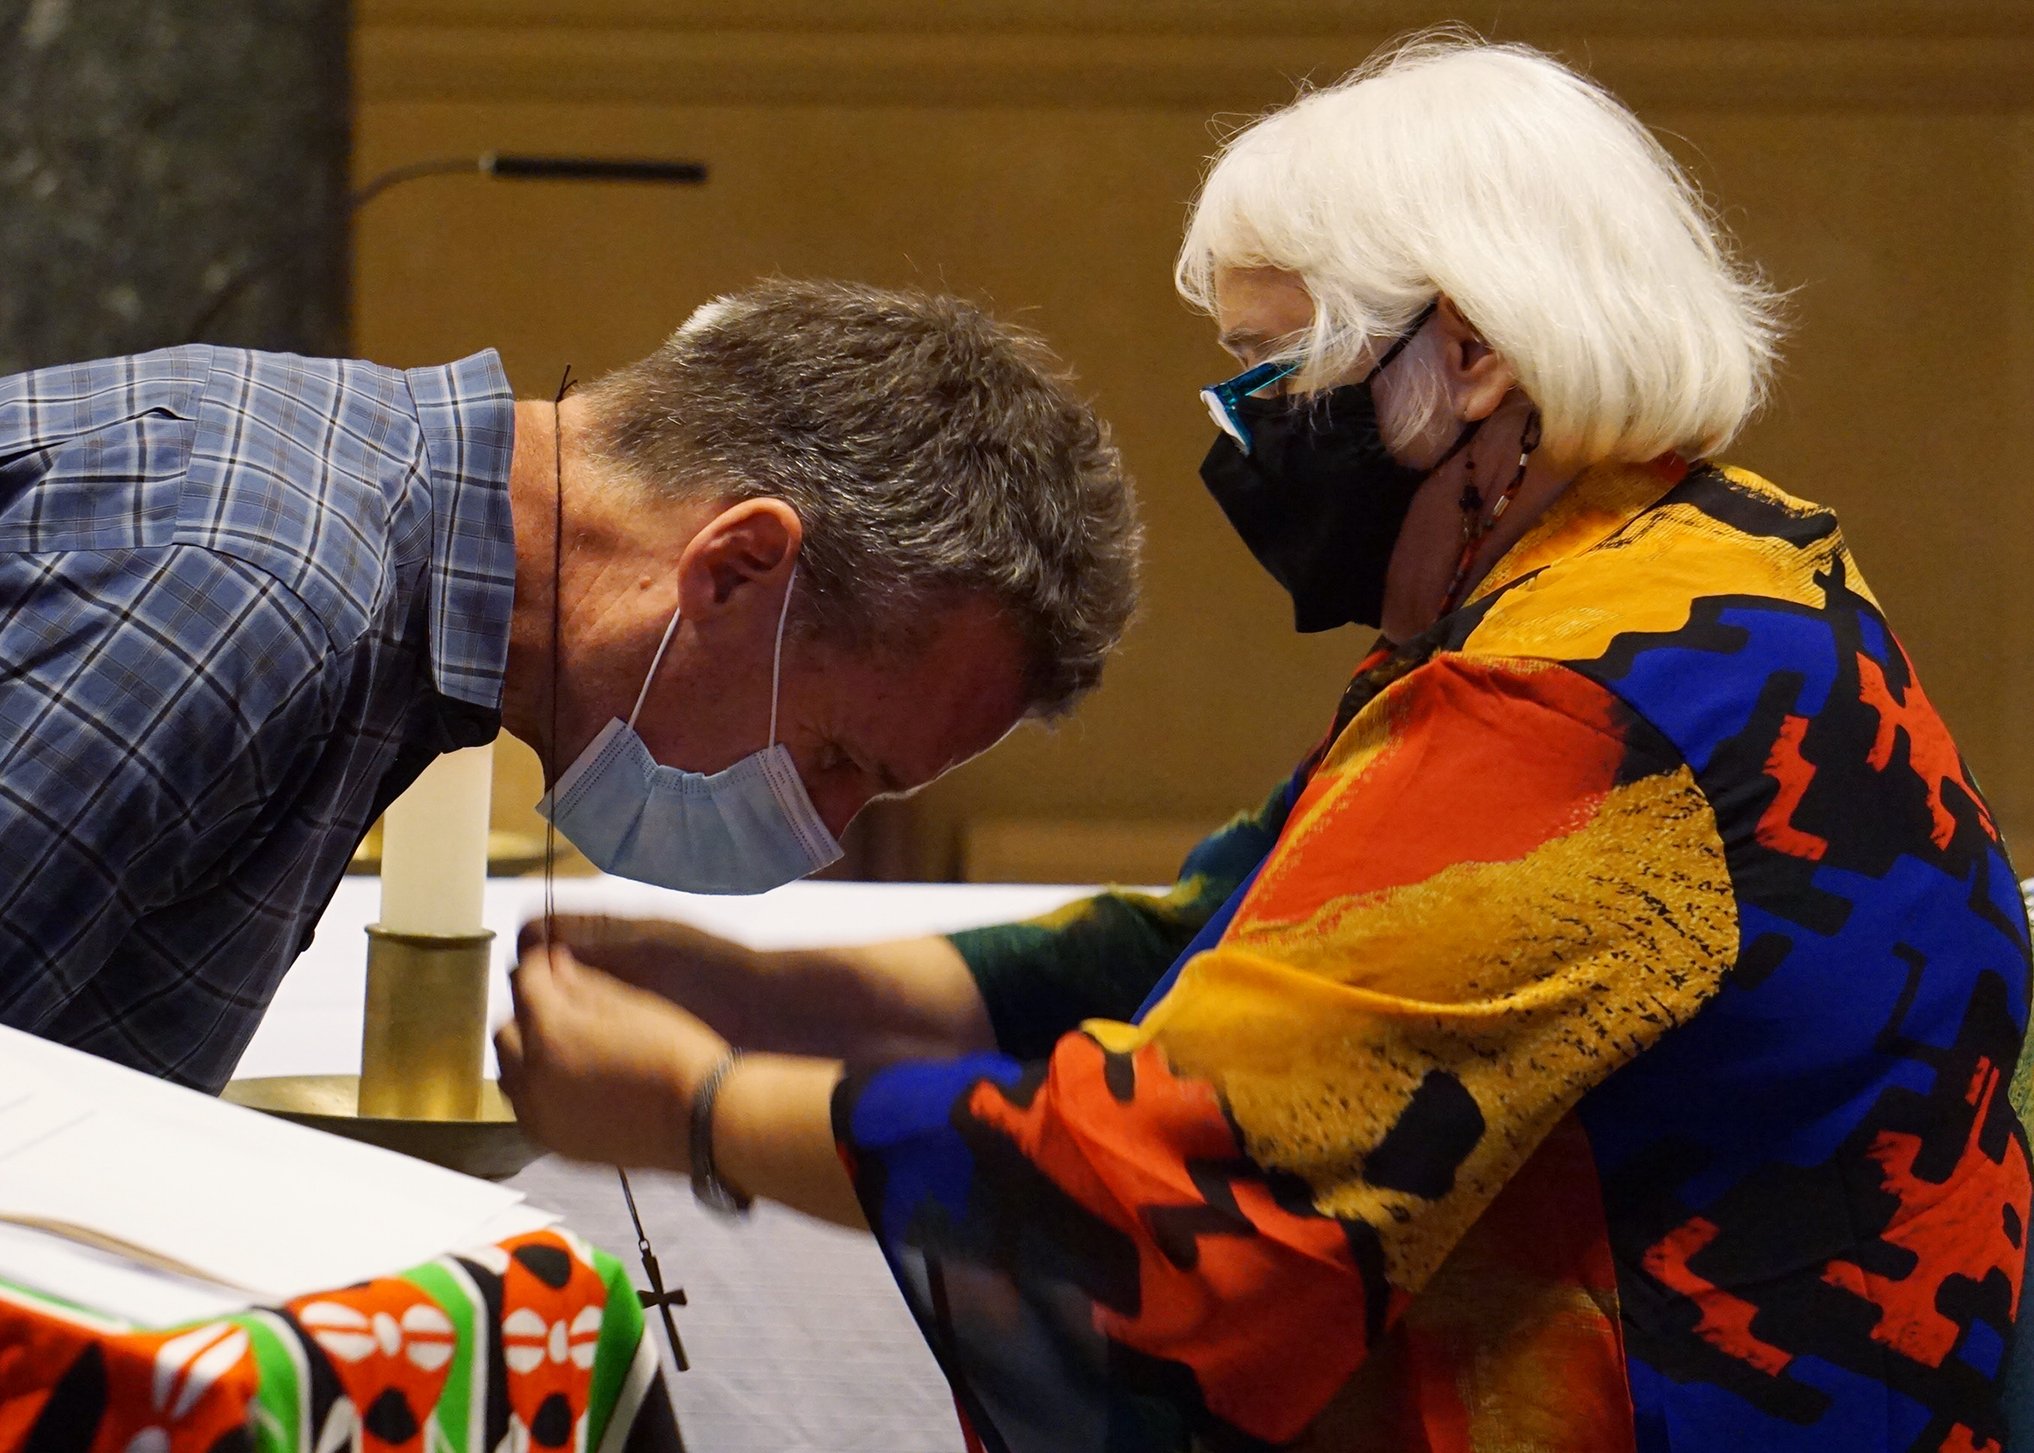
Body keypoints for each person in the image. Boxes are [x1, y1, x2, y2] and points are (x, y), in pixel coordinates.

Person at [497, 35, 2032, 1453]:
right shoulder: (1722, 569)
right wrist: (787, 991)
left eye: (1270, 368)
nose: (1237, 434)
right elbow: (1233, 936)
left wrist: (699, 1106)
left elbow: (1184, 1189)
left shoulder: (1569, 701)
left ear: (1473, 356)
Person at [0, 279, 1140, 1093]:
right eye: (840, 757)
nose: (824, 832)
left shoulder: (368, 585)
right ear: (737, 568)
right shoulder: (262, 588)